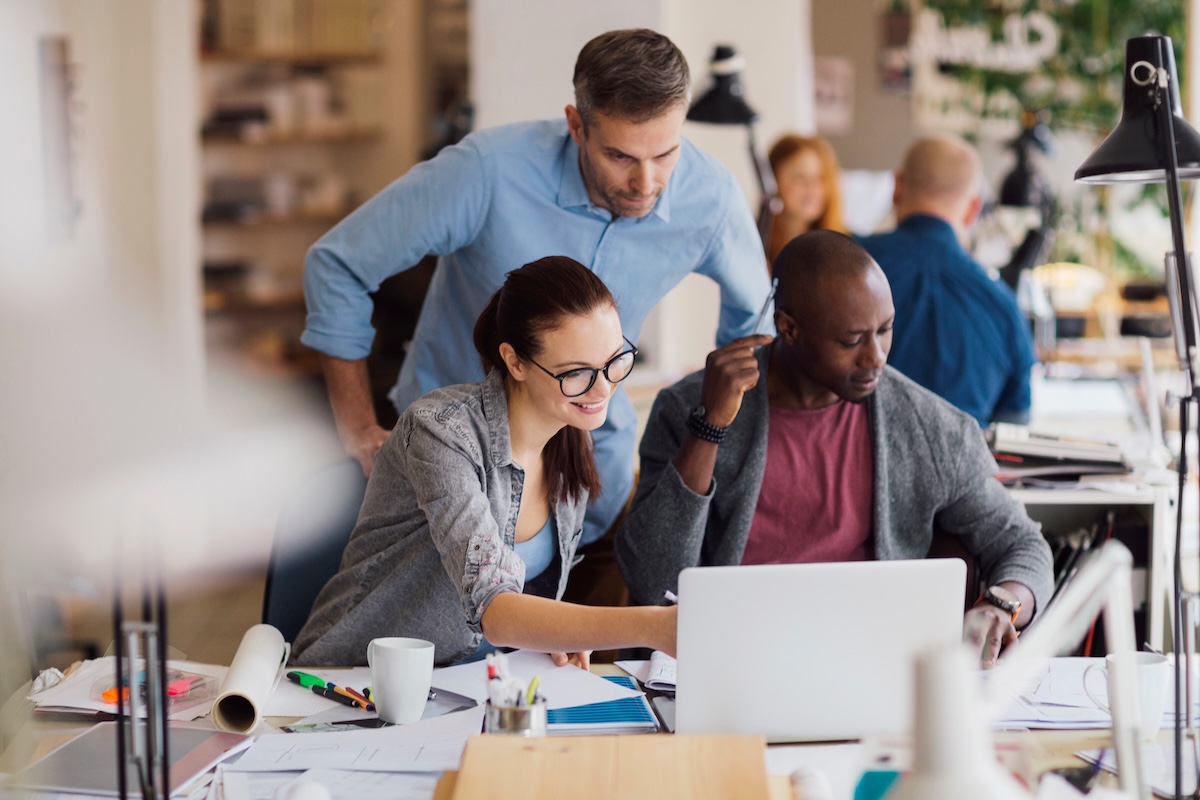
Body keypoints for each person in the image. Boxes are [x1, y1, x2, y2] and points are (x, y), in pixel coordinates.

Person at [300, 28, 770, 565]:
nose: (646, 181)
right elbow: (336, 264)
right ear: (576, 125)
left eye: (665, 154)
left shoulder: (711, 197)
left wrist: (701, 435)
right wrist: (357, 426)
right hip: (450, 468)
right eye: (620, 156)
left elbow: (755, 331)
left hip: (589, 479)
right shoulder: (487, 171)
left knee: (546, 639)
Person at [615, 231, 1053, 668]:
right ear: (788, 328)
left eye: (885, 330)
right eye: (851, 341)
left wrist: (1001, 603)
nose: (876, 357)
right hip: (730, 661)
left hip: (872, 665)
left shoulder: (929, 426)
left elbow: (1024, 545)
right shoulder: (688, 408)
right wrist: (708, 427)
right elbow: (653, 582)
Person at [294, 258, 677, 668]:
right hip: (357, 682)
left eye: (615, 360)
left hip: (475, 685)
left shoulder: (570, 437)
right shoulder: (440, 433)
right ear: (515, 362)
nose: (603, 387)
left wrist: (561, 630)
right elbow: (495, 608)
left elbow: (524, 608)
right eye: (577, 372)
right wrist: (651, 626)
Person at [857, 134, 1037, 426]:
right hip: (964, 469)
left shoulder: (842, 267)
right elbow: (1014, 428)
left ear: (897, 187)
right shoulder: (1003, 306)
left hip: (845, 468)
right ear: (973, 209)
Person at [766, 134, 848, 263]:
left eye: (821, 178)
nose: (812, 188)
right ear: (772, 181)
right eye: (800, 177)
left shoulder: (850, 249)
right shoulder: (752, 244)